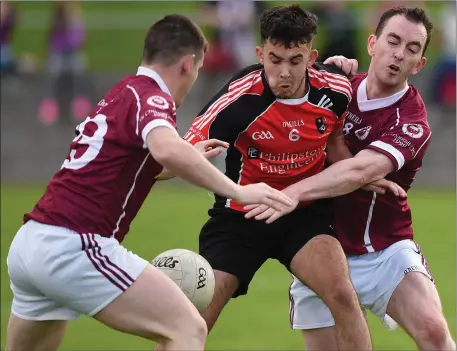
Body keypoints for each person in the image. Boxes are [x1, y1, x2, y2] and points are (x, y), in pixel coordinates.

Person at [5, 14, 293, 351]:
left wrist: (189, 155)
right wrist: (239, 191)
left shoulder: (121, 92)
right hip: (75, 245)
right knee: (188, 330)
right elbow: (166, 149)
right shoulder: (153, 97)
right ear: (187, 65)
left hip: (31, 244)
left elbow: (136, 165)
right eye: (197, 70)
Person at [156, 5, 410, 351]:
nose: (284, 72)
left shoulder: (335, 90)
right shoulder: (238, 99)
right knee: (194, 320)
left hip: (304, 215)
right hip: (241, 216)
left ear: (312, 56)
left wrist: (359, 175)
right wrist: (154, 170)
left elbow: (334, 141)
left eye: (295, 60)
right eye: (275, 59)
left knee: (342, 294)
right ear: (260, 54)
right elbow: (177, 153)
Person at [245, 6, 456, 351]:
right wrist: (321, 71)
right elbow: (279, 85)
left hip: (385, 249)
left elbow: (359, 171)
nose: (399, 53)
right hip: (320, 250)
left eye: (412, 49)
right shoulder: (333, 90)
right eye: (393, 41)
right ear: (372, 44)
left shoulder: (413, 121)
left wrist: (292, 193)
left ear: (419, 65)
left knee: (434, 332)